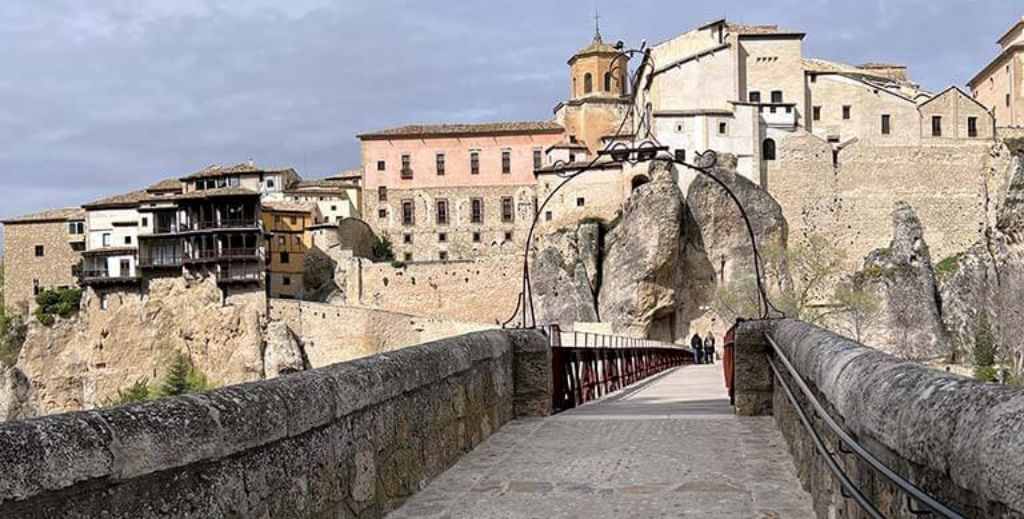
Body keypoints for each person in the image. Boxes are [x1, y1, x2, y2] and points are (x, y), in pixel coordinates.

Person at [723, 323, 737, 405]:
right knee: (732, 375)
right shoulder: (731, 334)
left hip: (731, 357)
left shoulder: (729, 334)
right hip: (732, 357)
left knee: (732, 375)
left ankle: (733, 395)